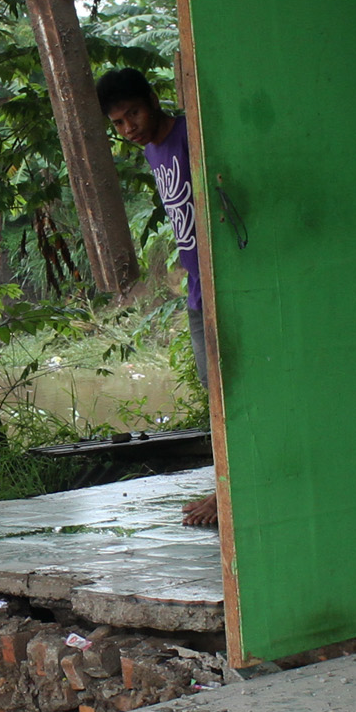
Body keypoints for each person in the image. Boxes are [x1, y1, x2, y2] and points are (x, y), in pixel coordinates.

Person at [97, 68, 217, 529]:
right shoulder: (152, 151)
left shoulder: (191, 136)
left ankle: (232, 489)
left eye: (134, 113)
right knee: (216, 391)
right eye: (119, 124)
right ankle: (229, 482)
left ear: (153, 99)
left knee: (230, 391)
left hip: (221, 284)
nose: (130, 128)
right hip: (196, 288)